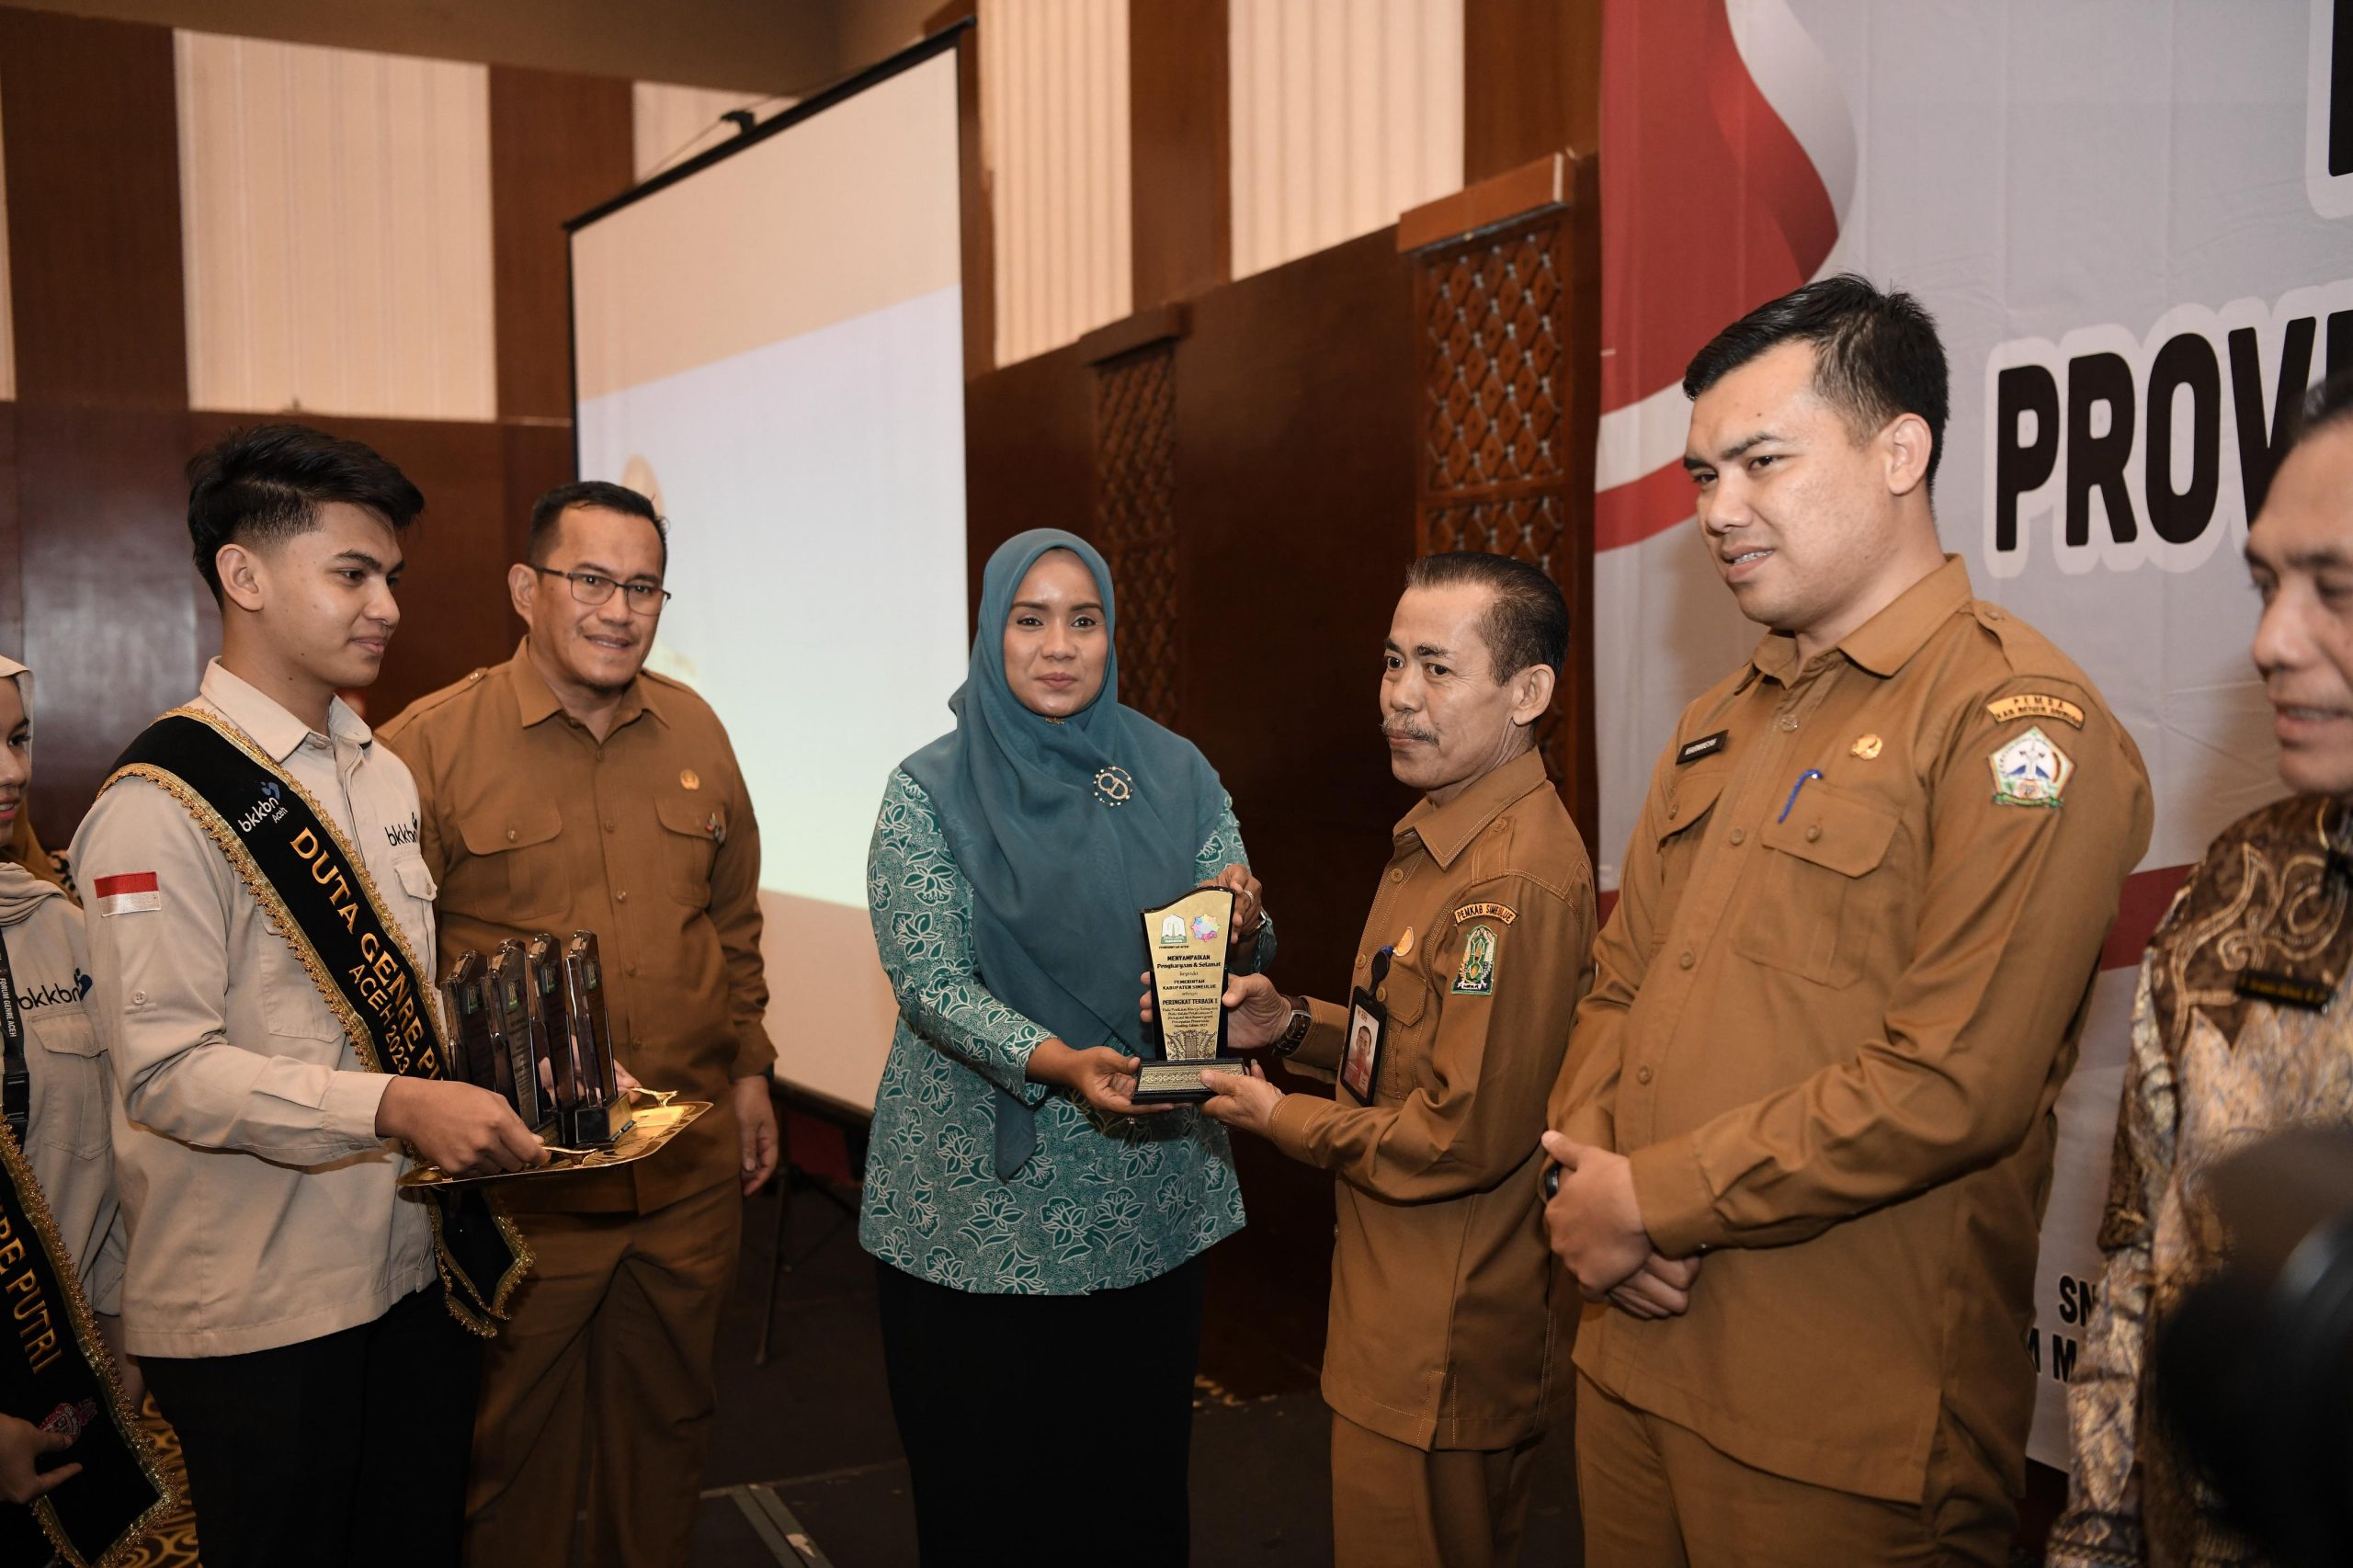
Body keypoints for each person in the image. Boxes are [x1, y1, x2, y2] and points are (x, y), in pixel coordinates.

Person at [1542, 276, 2153, 1565]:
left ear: (1899, 450)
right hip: (1631, 1355)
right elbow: (1619, 987)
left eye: (1761, 462)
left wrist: (1657, 1194)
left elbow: (1957, 1081)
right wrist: (1598, 1183)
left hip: (1840, 1430)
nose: (1718, 510)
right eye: (1704, 475)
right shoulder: (1721, 720)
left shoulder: (2017, 726)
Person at [71, 425, 544, 1568]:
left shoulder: (378, 768)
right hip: (261, 1310)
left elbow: (401, 1003)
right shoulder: (155, 806)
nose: (384, 604)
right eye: (351, 573)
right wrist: (389, 1107)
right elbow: (169, 1072)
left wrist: (536, 1075)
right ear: (244, 574)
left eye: (391, 576)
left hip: (407, 1273)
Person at [377, 478, 776, 1568]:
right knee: (514, 1452)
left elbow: (732, 917)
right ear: (525, 588)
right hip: (526, 1190)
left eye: (642, 585)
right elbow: (385, 976)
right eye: (589, 579)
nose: (618, 608)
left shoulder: (694, 726)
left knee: (671, 1428)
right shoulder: (424, 749)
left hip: (686, 1173)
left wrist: (750, 1071)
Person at [859, 528, 1268, 1568]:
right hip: (975, 1219)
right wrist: (1057, 1059)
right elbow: (931, 984)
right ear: (990, 631)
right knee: (989, 1501)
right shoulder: (927, 789)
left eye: (1082, 620)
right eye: (1029, 618)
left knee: (1129, 1494)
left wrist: (1248, 923)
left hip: (1146, 1200)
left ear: (1110, 634)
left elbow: (1232, 922)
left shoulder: (1174, 770)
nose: (1058, 645)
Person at [1187, 551, 1593, 1568]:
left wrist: (1274, 1113)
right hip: (1391, 1310)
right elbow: (1405, 1051)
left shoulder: (1512, 879)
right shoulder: (1438, 835)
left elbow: (1458, 1134)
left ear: (1527, 693)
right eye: (1391, 661)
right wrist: (1288, 1026)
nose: (1400, 697)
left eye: (1437, 669)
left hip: (1444, 1339)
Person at [2047, 372, 2353, 1567]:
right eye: (2267, 584)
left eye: (2336, 589)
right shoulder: (2235, 893)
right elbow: (2137, 1275)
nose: (2272, 640)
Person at [0, 653, 137, 1511]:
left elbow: (111, 1150)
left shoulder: (59, 929)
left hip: (62, 1378)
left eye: (18, 739)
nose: (12, 771)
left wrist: (122, 1339)